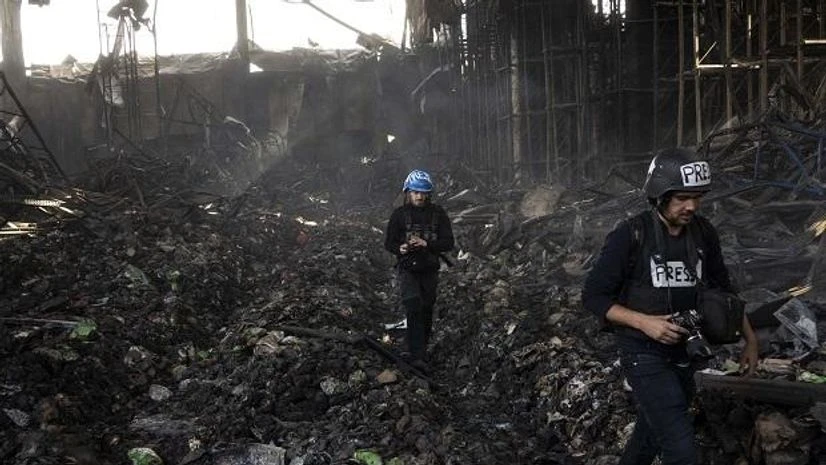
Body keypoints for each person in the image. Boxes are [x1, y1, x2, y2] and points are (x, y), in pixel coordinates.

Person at [582, 148, 759, 465]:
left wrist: (751, 340)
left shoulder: (704, 233)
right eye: (681, 198)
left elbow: (724, 290)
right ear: (659, 196)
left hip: (686, 352)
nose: (691, 206)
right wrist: (643, 322)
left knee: (648, 438)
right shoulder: (631, 234)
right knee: (681, 450)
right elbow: (594, 296)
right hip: (642, 352)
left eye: (696, 197)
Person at [384, 169, 454, 372]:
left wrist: (427, 243)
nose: (419, 196)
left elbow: (448, 242)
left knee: (426, 308)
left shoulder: (438, 214)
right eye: (415, 192)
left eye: (423, 193)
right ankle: (417, 355)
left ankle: (420, 348)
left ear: (429, 194)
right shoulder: (399, 215)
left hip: (429, 268)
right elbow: (389, 242)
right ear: (408, 192)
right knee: (413, 304)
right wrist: (401, 248)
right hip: (408, 268)